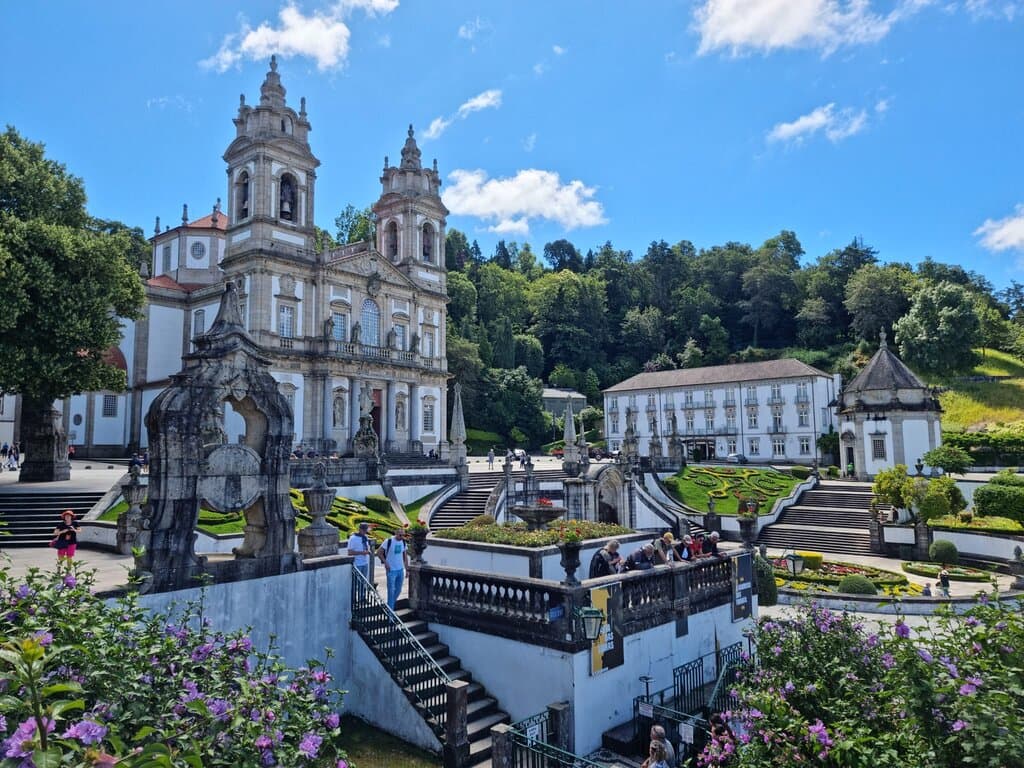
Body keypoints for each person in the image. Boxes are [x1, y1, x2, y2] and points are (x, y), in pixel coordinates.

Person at [378, 528, 410, 611]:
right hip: (391, 570)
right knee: (391, 591)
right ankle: (390, 612)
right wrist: (386, 562)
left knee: (398, 590)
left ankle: (389, 606)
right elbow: (379, 552)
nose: (402, 536)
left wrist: (407, 569)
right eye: (400, 535)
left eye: (403, 535)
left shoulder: (403, 542)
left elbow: (405, 557)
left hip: (400, 569)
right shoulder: (388, 541)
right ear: (395, 533)